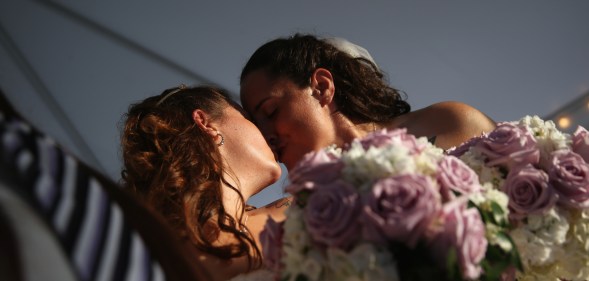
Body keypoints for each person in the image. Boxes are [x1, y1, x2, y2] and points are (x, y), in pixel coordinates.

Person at [240, 33, 497, 170]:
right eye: (256, 125)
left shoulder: (446, 123)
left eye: (271, 111)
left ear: (321, 87)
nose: (265, 136)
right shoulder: (308, 213)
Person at [120, 85, 289, 280]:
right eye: (249, 119)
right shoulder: (145, 249)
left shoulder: (306, 212)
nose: (270, 134)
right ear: (206, 123)